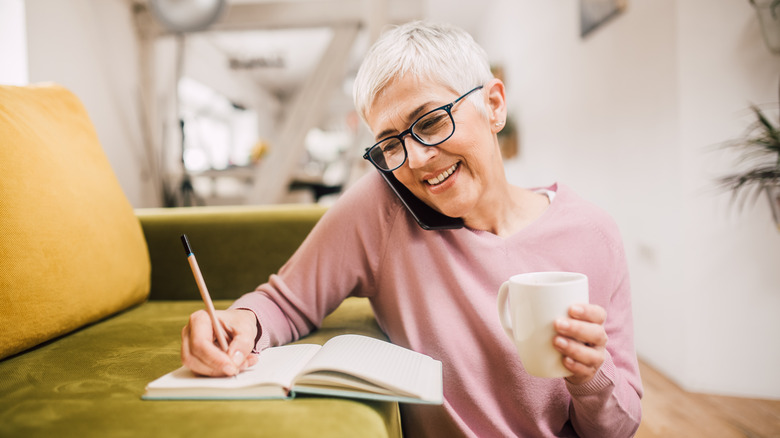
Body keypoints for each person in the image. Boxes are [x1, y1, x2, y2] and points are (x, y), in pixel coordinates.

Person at [181, 21, 643, 437]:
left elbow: (618, 429)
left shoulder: (592, 235)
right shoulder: (382, 208)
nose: (417, 159)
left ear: (494, 106)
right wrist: (237, 323)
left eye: (432, 121)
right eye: (390, 143)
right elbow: (285, 301)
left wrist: (590, 376)